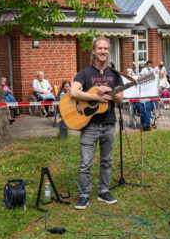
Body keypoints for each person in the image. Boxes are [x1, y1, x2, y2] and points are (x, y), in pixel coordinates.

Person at [69, 36, 123, 210]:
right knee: (85, 163)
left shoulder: (115, 75)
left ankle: (104, 191)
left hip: (109, 124)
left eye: (106, 49)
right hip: (90, 125)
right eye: (100, 48)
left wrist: (110, 91)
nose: (103, 52)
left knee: (107, 161)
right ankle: (84, 194)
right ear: (93, 51)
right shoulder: (85, 73)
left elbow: (121, 100)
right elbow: (73, 92)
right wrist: (95, 96)